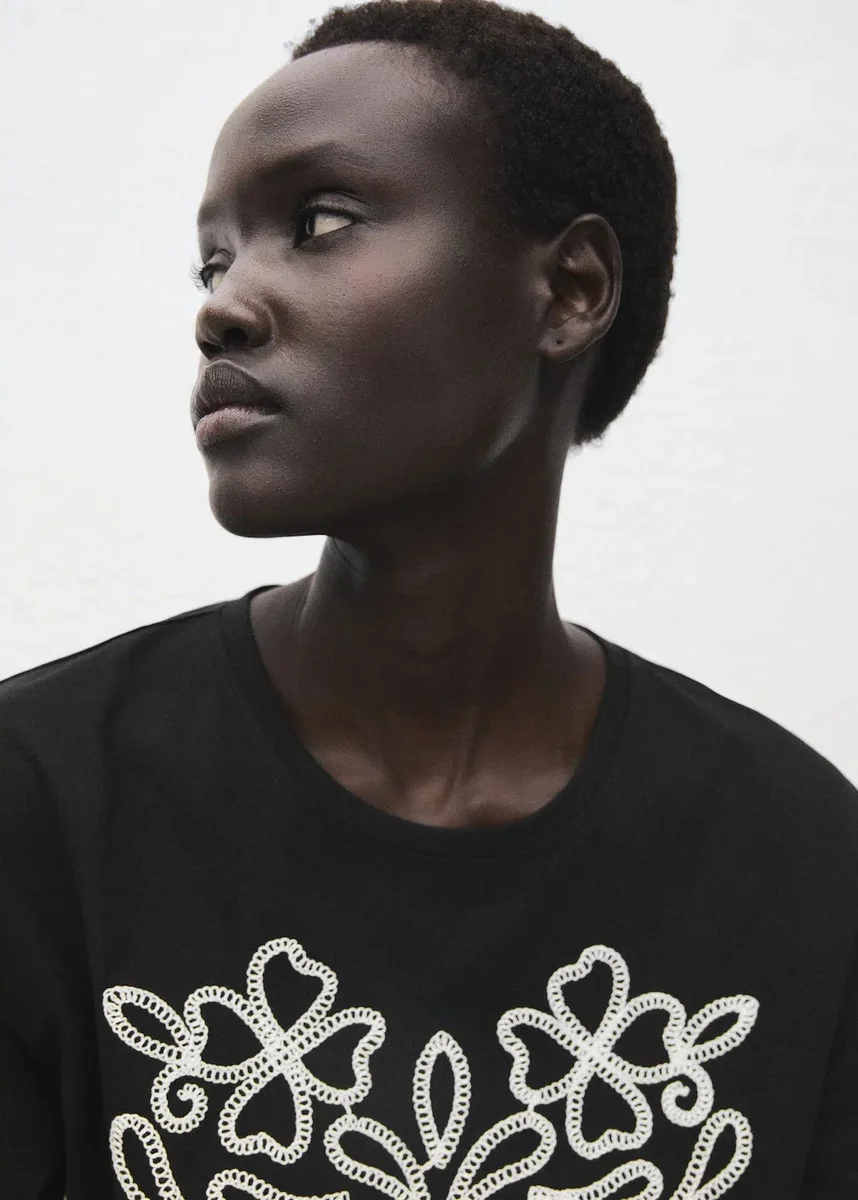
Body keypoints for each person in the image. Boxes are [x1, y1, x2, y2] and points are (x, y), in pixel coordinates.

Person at [1, 0, 855, 1195]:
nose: (222, 307)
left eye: (318, 222)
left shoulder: (803, 867)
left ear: (571, 290)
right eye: (215, 258)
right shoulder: (39, 799)